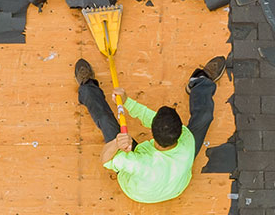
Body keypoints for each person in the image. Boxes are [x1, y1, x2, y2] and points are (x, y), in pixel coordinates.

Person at [75, 55, 226, 204]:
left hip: (137, 191)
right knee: (204, 116)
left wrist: (116, 142)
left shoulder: (136, 163)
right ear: (180, 130)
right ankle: (200, 82)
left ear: (152, 133)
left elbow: (105, 159)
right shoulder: (187, 139)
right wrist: (127, 102)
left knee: (107, 122)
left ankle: (88, 88)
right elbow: (150, 117)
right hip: (176, 186)